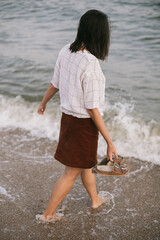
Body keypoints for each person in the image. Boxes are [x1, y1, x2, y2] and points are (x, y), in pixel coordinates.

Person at [37, 9, 118, 222]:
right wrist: (110, 142)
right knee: (71, 172)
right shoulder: (91, 65)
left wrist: (43, 102)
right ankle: (47, 215)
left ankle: (95, 200)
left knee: (86, 164)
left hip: (68, 120)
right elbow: (92, 108)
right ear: (100, 35)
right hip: (83, 125)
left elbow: (55, 82)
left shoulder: (66, 50)